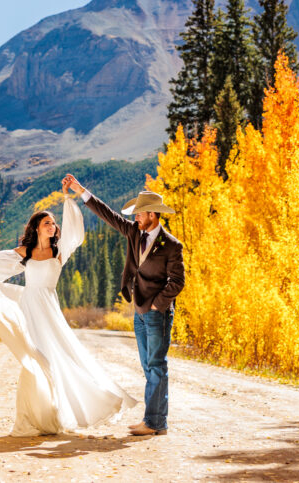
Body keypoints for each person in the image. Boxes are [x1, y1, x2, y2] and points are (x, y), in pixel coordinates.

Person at [0, 195, 137, 437]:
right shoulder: (25, 252)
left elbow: (75, 233)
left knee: (61, 356)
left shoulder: (59, 251)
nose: (52, 226)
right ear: (36, 227)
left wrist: (70, 199)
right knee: (34, 361)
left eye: (54, 223)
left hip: (49, 309)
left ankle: (72, 408)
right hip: (28, 307)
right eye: (47, 222)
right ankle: (33, 417)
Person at [61, 174, 184, 437]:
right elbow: (108, 214)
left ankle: (154, 422)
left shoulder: (172, 245)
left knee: (156, 365)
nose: (135, 218)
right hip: (139, 313)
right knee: (148, 366)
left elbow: (177, 282)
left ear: (152, 214)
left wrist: (156, 306)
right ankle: (156, 422)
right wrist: (80, 190)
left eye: (139, 214)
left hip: (157, 314)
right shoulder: (133, 233)